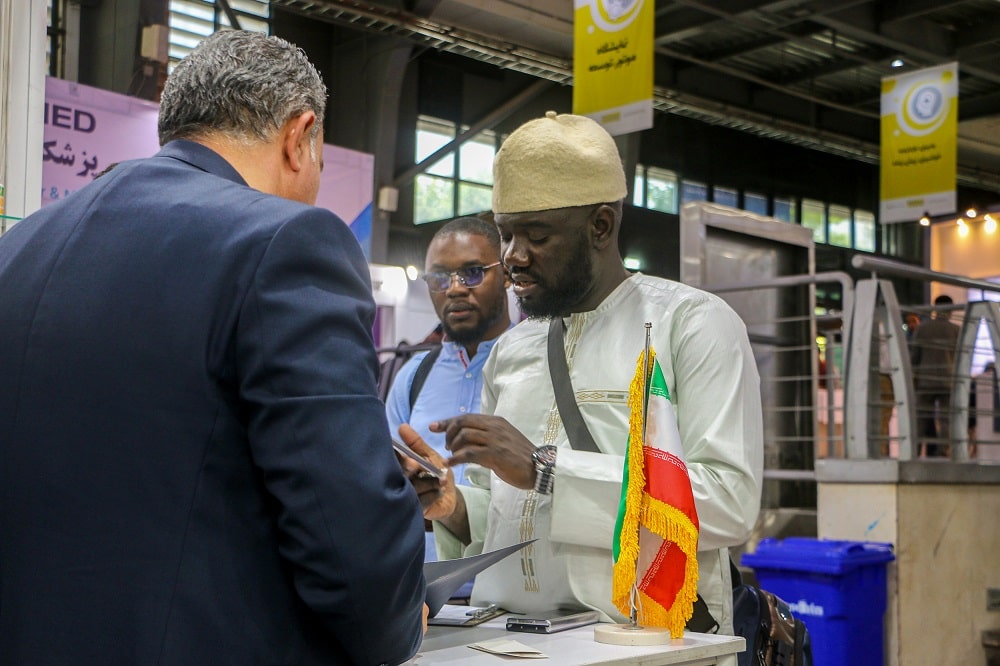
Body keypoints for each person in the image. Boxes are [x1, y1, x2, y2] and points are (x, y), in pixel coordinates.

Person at [0, 30, 426, 665]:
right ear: (298, 136)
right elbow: (347, 535)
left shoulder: (21, 246)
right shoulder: (287, 240)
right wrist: (399, 624)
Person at [401, 111, 763, 634]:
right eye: (506, 235)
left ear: (600, 225)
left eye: (536, 235)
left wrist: (548, 469)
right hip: (505, 641)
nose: (513, 258)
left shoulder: (692, 324)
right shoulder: (512, 351)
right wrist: (451, 503)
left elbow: (729, 502)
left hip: (640, 646)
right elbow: (501, 521)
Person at [386, 216, 512, 488]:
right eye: (439, 278)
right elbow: (386, 476)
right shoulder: (412, 376)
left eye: (473, 272)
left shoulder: (537, 368)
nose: (455, 289)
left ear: (506, 275)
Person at [910, 294, 961, 457]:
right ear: (951, 310)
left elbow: (914, 356)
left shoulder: (922, 329)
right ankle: (942, 451)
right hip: (949, 380)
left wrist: (915, 375)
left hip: (925, 381)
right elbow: (961, 358)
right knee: (946, 419)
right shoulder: (956, 330)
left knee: (921, 418)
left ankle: (915, 451)